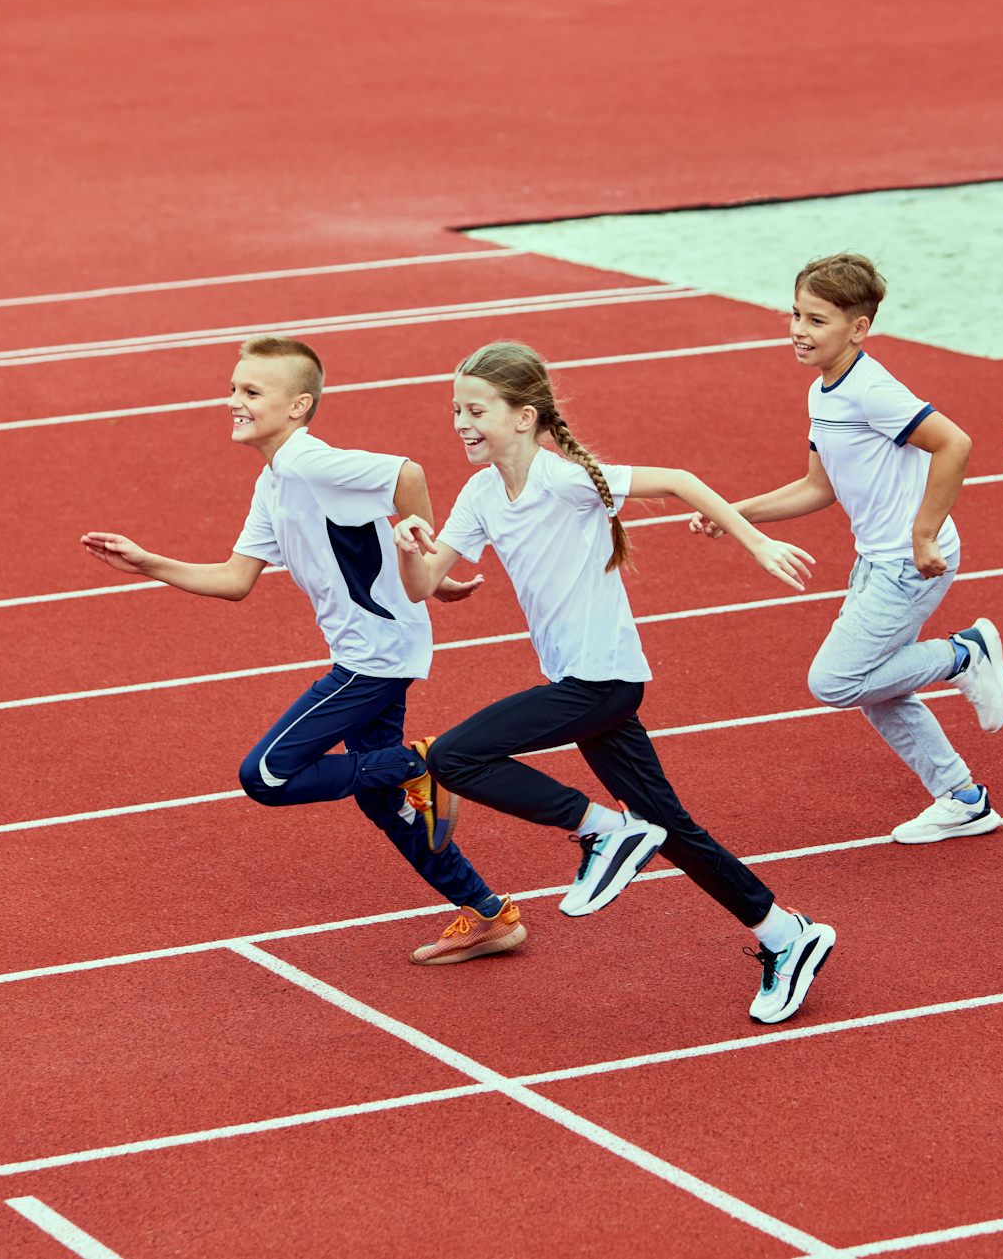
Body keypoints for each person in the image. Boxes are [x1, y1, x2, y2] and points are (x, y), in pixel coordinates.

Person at [392, 340, 834, 1024]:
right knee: (672, 826)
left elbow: (681, 479)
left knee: (454, 756)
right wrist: (412, 549)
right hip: (584, 684)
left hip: (603, 682)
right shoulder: (482, 492)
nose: (460, 421)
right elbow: (423, 586)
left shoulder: (564, 480)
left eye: (476, 408)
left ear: (524, 416)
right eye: (455, 409)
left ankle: (602, 831)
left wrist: (756, 540)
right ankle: (785, 932)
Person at [81, 335, 525, 966]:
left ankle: (420, 763)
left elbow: (407, 473)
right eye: (233, 388)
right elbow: (235, 581)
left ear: (298, 406)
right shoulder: (275, 484)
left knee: (265, 775)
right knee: (380, 798)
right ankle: (488, 913)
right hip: (373, 650)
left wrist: (426, 563)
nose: (232, 400)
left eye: (250, 392)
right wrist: (150, 562)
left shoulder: (313, 464)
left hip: (372, 658)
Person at [689, 253, 1003, 845]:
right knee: (876, 687)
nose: (798, 330)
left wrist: (922, 532)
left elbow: (956, 444)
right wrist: (734, 514)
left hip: (911, 563)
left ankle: (963, 655)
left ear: (857, 329)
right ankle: (963, 798)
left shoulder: (871, 390)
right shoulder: (822, 392)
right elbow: (819, 487)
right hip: (875, 561)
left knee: (835, 682)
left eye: (816, 320)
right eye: (795, 315)